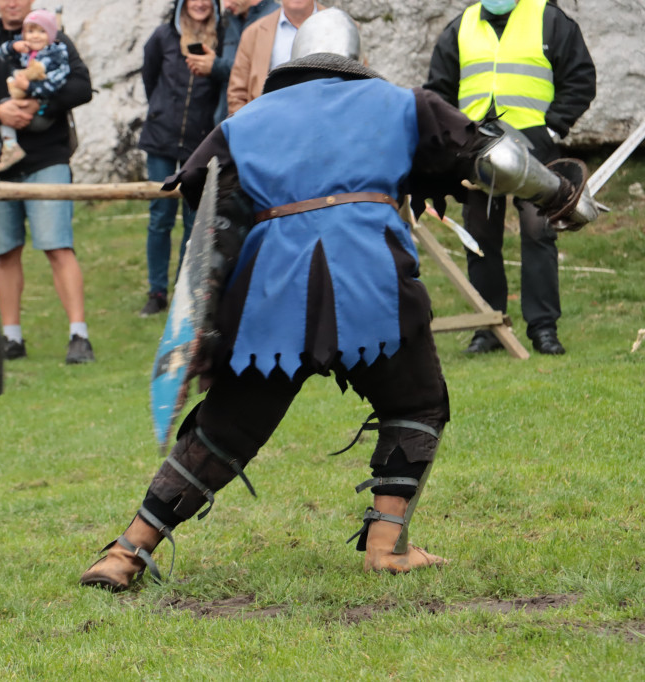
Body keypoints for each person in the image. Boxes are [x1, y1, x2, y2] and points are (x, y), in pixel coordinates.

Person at [78, 9, 598, 591]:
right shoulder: (403, 104)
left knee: (224, 429)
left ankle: (125, 552)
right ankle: (386, 547)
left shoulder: (246, 122)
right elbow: (491, 155)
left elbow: (211, 214)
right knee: (418, 402)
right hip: (369, 284)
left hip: (274, 296)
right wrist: (561, 194)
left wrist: (212, 320)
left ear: (293, 62)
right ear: (357, 59)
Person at [425, 0, 596, 355]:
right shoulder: (461, 27)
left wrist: (553, 128)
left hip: (535, 145)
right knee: (481, 235)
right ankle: (488, 327)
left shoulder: (549, 19)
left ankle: (543, 329)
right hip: (474, 148)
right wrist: (453, 140)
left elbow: (580, 78)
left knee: (538, 232)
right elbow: (438, 92)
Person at [0, 0, 94, 364]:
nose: (12, 2)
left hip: (47, 157)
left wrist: (41, 106)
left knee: (58, 246)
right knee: (5, 252)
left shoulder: (56, 40)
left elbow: (82, 87)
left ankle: (79, 336)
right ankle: (11, 338)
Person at [137, 0, 222, 317]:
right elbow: (150, 76)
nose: (199, 3)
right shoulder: (163, 36)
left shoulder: (222, 37)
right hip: (160, 138)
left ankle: (182, 289)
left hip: (200, 143)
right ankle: (156, 291)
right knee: (159, 215)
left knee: (192, 218)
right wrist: (160, 111)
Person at [0, 9, 71, 183]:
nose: (36, 36)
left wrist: (31, 90)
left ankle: (9, 148)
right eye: (30, 31)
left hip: (47, 155)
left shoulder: (57, 49)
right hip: (3, 168)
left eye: (41, 31)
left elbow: (79, 87)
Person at [226, 0, 325, 115]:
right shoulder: (253, 33)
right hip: (269, 125)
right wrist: (249, 128)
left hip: (324, 124)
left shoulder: (340, 25)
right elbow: (237, 94)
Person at [208, 0, 280, 125]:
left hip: (257, 122)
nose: (226, 5)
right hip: (226, 121)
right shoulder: (231, 18)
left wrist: (214, 65)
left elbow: (254, 72)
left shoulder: (274, 18)